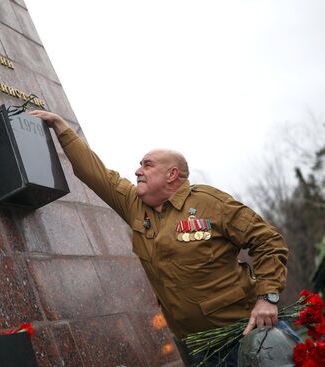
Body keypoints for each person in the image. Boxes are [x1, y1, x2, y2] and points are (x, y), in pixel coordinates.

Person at [30, 110, 291, 367]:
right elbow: (98, 175)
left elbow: (268, 241)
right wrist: (62, 129)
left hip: (247, 336)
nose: (137, 171)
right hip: (200, 347)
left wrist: (267, 298)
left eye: (147, 164)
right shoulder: (136, 206)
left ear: (172, 174)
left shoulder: (209, 202)